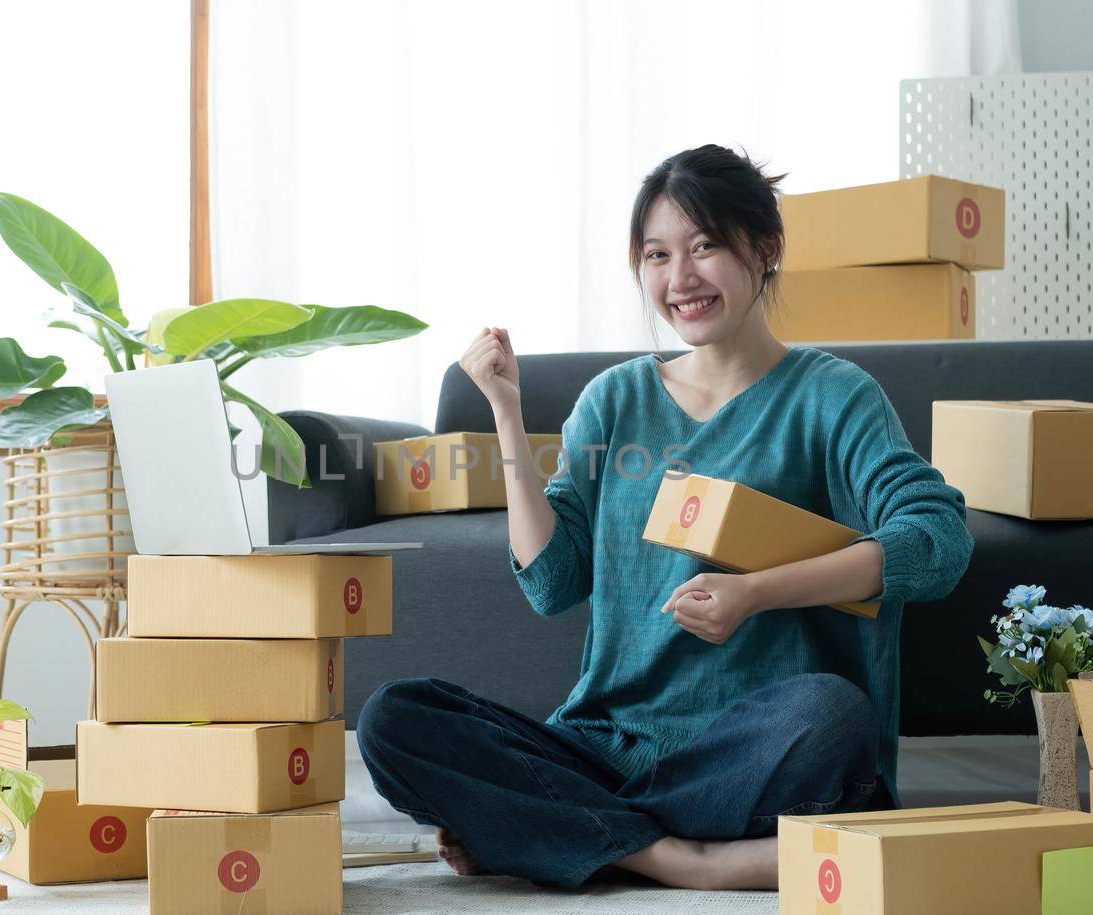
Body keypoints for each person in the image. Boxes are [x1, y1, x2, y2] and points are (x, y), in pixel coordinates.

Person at [356, 144, 974, 891]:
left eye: (705, 246)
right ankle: (679, 857)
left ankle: (559, 831)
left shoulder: (834, 397)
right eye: (656, 255)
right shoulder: (613, 400)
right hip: (604, 742)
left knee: (835, 717)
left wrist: (757, 592)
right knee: (394, 718)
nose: (679, 278)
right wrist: (508, 413)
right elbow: (552, 581)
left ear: (766, 248)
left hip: (749, 747)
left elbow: (935, 540)